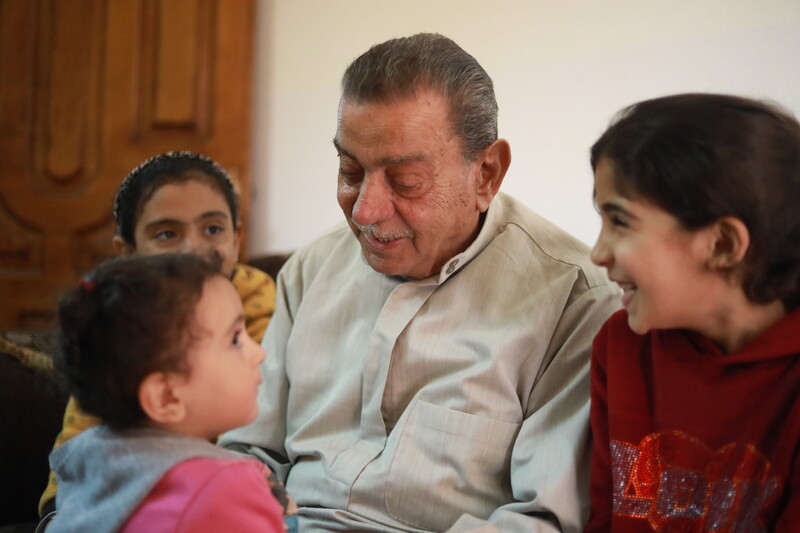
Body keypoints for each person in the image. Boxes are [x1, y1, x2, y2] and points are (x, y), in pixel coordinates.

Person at [220, 33, 620, 532]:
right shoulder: (312, 269)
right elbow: (247, 451)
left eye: (405, 182)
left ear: (486, 174)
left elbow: (543, 521)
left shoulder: (574, 301)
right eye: (350, 171)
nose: (365, 211)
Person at [585, 93, 800, 531]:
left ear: (722, 244)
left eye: (620, 222)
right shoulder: (621, 347)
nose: (597, 253)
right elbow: (603, 519)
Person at [38, 151, 278, 520]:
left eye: (213, 229)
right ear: (127, 252)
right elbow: (78, 459)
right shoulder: (121, 324)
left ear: (237, 237)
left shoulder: (261, 298)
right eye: (167, 234)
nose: (193, 249)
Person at [46, 254, 285, 533]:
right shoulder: (225, 488)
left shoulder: (86, 455)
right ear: (166, 397)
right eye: (234, 339)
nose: (259, 352)